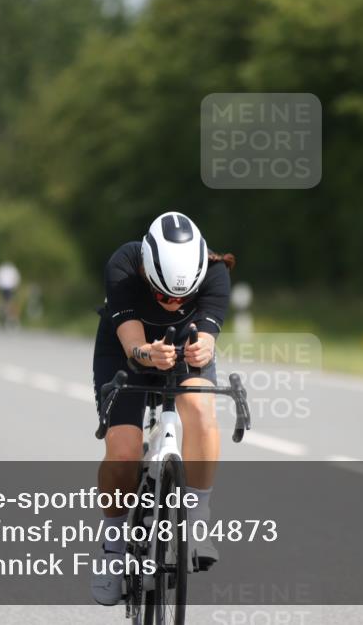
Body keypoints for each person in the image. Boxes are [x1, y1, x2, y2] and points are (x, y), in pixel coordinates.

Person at [90, 211, 235, 606]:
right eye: (162, 295)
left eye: (182, 298)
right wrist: (146, 353)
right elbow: (131, 341)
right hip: (127, 351)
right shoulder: (123, 265)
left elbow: (206, 336)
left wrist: (205, 344)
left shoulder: (216, 272)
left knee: (201, 412)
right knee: (123, 450)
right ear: (145, 270)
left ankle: (198, 514)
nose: (173, 304)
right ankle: (114, 548)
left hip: (183, 347)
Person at [0, 261, 21, 328]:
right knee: (6, 303)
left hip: (9, 288)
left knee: (9, 303)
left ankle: (10, 318)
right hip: (5, 288)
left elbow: (15, 278)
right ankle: (6, 317)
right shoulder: (6, 269)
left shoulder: (9, 269)